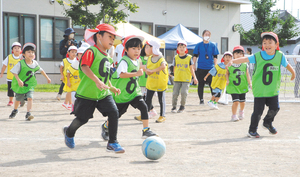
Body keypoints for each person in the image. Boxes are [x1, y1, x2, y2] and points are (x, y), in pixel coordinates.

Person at [62, 23, 125, 153]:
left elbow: (105, 76)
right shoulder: (91, 51)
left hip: (103, 94)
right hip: (87, 94)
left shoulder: (108, 57)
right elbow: (85, 67)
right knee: (82, 119)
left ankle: (112, 142)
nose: (112, 40)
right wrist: (96, 81)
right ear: (99, 37)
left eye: (114, 38)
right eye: (110, 37)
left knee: (114, 113)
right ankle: (69, 131)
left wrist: (111, 87)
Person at [227, 32, 295, 138]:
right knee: (258, 111)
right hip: (260, 89)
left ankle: (267, 122)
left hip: (272, 89)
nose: (267, 45)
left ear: (276, 45)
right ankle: (252, 130)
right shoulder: (258, 56)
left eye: (270, 42)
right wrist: (233, 61)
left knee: (275, 108)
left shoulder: (280, 55)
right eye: (264, 42)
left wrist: (293, 73)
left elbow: (287, 65)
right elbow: (245, 59)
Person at [101, 35, 157, 141]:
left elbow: (141, 67)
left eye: (139, 48)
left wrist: (150, 69)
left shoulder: (137, 60)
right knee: (117, 114)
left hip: (134, 92)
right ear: (126, 49)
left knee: (144, 107)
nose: (137, 51)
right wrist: (136, 73)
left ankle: (146, 130)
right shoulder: (124, 61)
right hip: (122, 94)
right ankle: (105, 126)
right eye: (133, 48)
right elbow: (122, 74)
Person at [8, 43, 51, 120]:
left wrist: (47, 78)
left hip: (30, 84)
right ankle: (15, 110)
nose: (31, 54)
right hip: (20, 84)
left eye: (32, 52)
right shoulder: (20, 63)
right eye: (28, 52)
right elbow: (14, 72)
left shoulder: (35, 63)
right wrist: (19, 80)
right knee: (18, 99)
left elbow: (41, 70)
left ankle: (28, 113)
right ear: (23, 54)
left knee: (30, 98)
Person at [143, 40, 168, 123]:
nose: (145, 49)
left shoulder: (160, 57)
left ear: (153, 48)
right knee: (148, 99)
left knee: (161, 100)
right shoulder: (149, 58)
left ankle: (162, 115)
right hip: (151, 82)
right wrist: (147, 71)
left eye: (147, 47)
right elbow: (146, 68)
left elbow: (163, 66)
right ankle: (145, 115)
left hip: (160, 82)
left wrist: (152, 70)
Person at [193, 30, 219, 104]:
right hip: (201, 67)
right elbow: (195, 55)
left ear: (210, 36)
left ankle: (213, 99)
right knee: (201, 84)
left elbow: (215, 56)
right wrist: (193, 65)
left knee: (212, 84)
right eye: (205, 34)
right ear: (202, 35)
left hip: (210, 67)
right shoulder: (198, 45)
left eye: (208, 34)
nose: (207, 35)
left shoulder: (213, 45)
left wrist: (215, 65)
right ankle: (201, 99)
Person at [226, 46, 252, 121]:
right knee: (236, 101)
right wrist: (227, 80)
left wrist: (250, 83)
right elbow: (227, 73)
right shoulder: (229, 64)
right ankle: (233, 115)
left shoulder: (244, 65)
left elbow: (247, 75)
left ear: (243, 56)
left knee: (242, 101)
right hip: (233, 86)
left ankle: (241, 111)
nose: (239, 55)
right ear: (233, 55)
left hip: (242, 85)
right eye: (237, 53)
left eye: (241, 53)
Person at [171, 40, 198, 113]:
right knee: (175, 93)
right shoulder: (175, 57)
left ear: (186, 48)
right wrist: (174, 76)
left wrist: (194, 77)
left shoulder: (189, 57)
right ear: (177, 48)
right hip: (177, 78)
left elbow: (191, 68)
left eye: (183, 47)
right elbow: (174, 67)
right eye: (180, 47)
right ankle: (174, 107)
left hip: (186, 79)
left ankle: (182, 106)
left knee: (184, 92)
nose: (182, 48)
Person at [57, 28, 78, 101]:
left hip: (74, 62)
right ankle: (59, 93)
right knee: (65, 79)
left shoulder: (74, 41)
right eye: (70, 34)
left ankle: (73, 94)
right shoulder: (62, 42)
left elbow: (77, 51)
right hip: (66, 62)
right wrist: (66, 46)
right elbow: (61, 52)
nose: (72, 35)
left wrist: (74, 45)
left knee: (74, 78)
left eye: (73, 34)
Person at [138, 42, 157, 118]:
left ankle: (148, 112)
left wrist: (146, 67)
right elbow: (139, 66)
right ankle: (151, 110)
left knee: (148, 98)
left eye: (149, 47)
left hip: (150, 81)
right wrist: (148, 67)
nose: (147, 49)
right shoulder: (140, 57)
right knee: (142, 98)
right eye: (145, 47)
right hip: (142, 81)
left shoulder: (154, 58)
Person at [0, 42, 22, 106]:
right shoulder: (9, 57)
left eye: (18, 48)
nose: (17, 49)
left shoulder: (21, 58)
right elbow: (4, 66)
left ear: (21, 50)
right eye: (15, 48)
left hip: (19, 78)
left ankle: (19, 100)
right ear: (12, 50)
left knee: (19, 90)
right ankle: (11, 101)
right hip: (10, 78)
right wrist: (2, 73)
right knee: (10, 90)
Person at [60, 46, 77, 110]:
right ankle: (70, 104)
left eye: (75, 52)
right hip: (67, 78)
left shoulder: (76, 61)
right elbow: (61, 68)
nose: (74, 54)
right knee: (70, 90)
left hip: (74, 78)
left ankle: (65, 103)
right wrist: (62, 75)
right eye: (72, 52)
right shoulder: (65, 60)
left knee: (69, 91)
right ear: (68, 53)